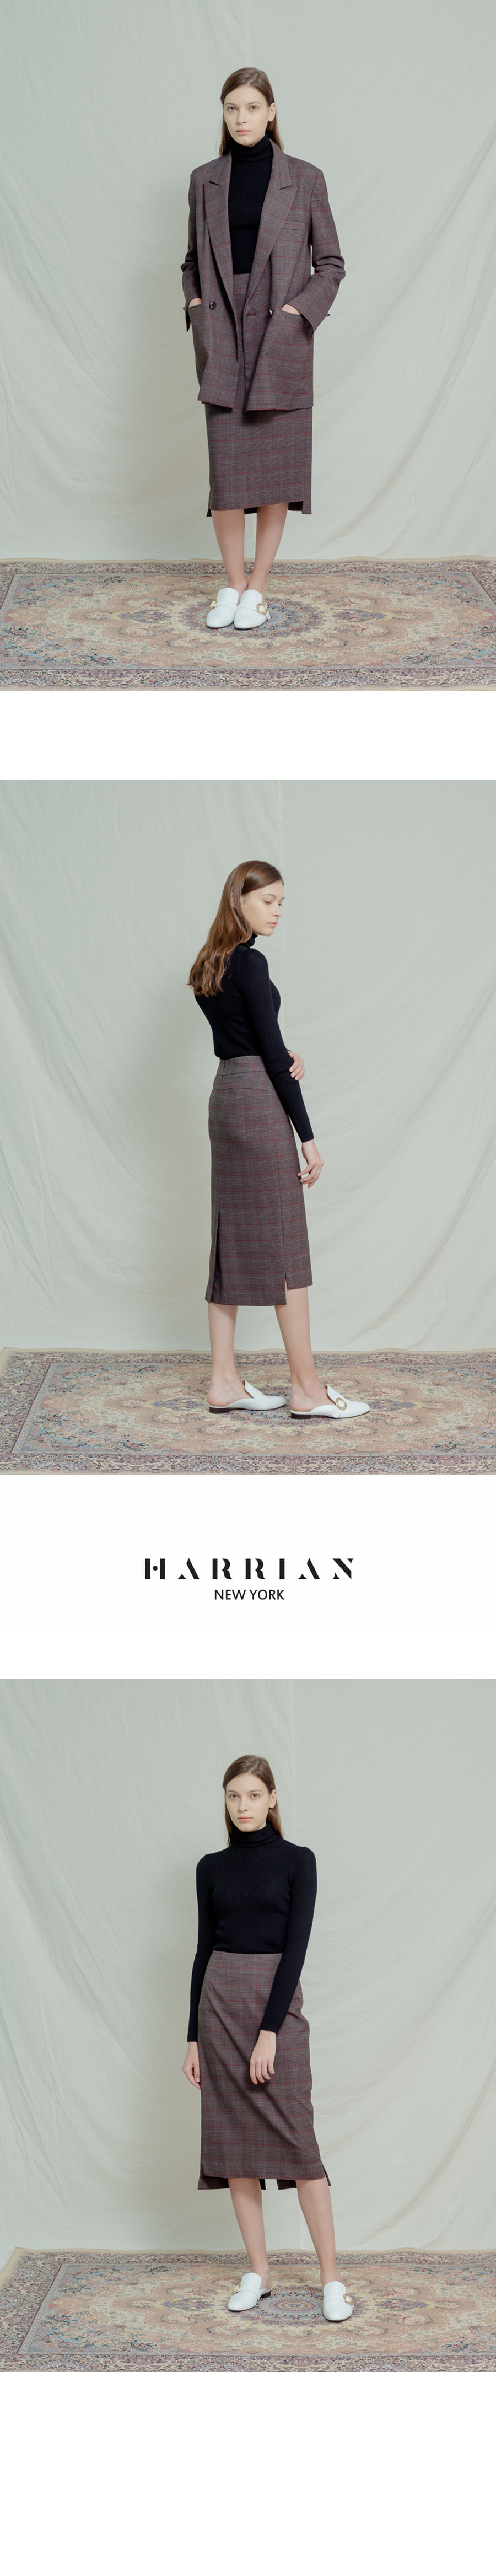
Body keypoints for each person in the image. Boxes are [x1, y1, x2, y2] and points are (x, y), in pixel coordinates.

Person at [188, 861, 369, 1422]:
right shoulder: (250, 962)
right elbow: (270, 1055)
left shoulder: (209, 961)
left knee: (230, 1239)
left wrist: (280, 1053)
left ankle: (224, 1381)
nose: (277, 911)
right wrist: (307, 1136)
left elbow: (245, 1039)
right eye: (268, 901)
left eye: (282, 902)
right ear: (238, 900)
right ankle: (307, 1389)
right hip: (257, 1101)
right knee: (285, 1242)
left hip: (226, 1095)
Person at [182, 1753, 354, 2322]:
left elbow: (295, 1951)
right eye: (234, 1795)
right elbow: (204, 1950)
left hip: (272, 2005)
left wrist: (270, 2031)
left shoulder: (298, 1860)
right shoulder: (210, 1866)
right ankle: (259, 2270)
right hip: (219, 2005)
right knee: (235, 2149)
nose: (243, 1805)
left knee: (301, 2149)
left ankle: (332, 2279)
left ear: (273, 1798)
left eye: (254, 1794)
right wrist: (193, 2038)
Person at [181, 66, 344, 629]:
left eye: (252, 107)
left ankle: (258, 588)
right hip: (223, 330)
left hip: (281, 335)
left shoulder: (306, 178)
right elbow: (191, 261)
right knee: (227, 473)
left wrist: (299, 313)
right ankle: (231, 584)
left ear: (271, 112)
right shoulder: (204, 179)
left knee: (277, 472)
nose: (241, 118)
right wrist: (197, 307)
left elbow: (331, 263)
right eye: (232, 108)